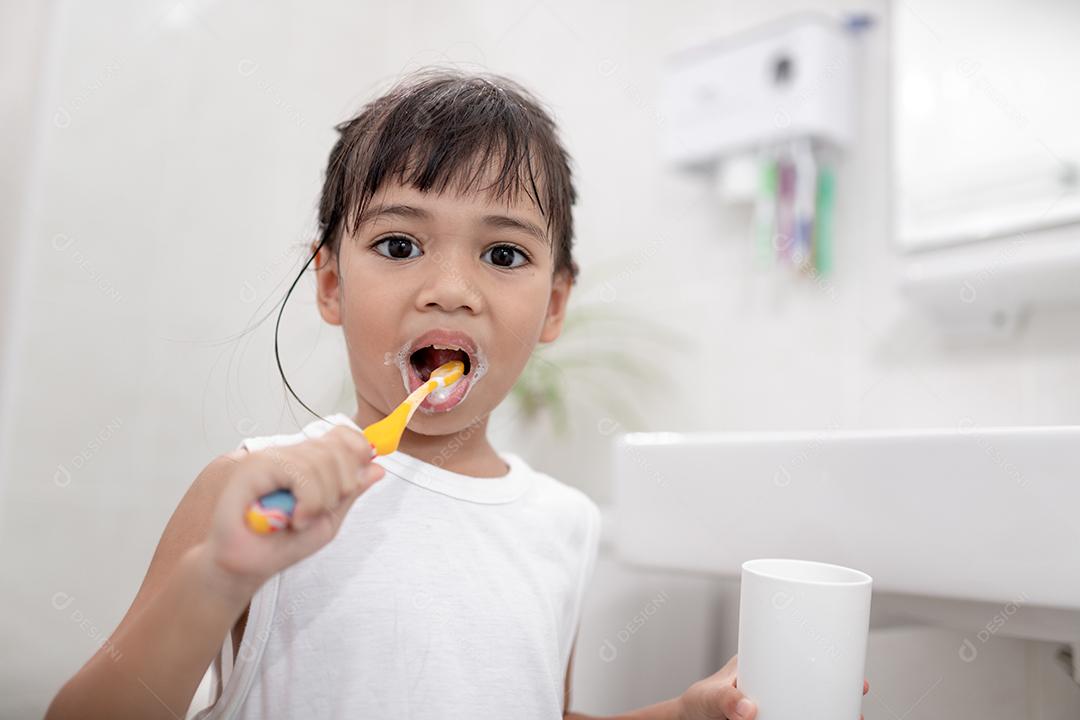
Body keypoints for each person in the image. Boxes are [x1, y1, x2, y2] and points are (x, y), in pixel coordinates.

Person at [46, 68, 867, 720]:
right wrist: (220, 577)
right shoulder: (257, 489)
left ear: (552, 305)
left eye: (503, 256)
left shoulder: (564, 526)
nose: (450, 289)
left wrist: (680, 717)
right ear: (330, 283)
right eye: (399, 244)